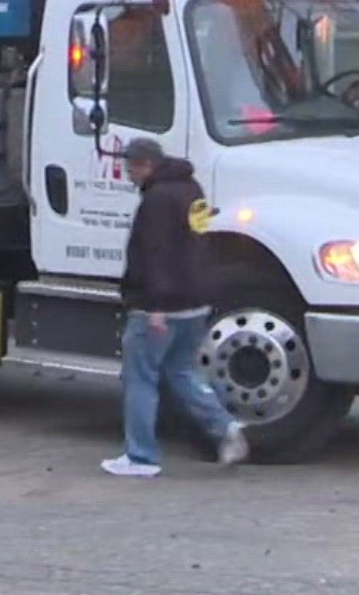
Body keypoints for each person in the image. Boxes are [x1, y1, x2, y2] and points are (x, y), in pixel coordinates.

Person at [101, 138, 249, 478]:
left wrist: (153, 306)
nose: (129, 175)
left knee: (140, 378)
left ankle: (140, 457)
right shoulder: (191, 190)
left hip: (159, 307)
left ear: (146, 165)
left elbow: (153, 255)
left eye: (131, 168)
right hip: (195, 301)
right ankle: (225, 426)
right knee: (181, 373)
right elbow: (196, 245)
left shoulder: (156, 199)